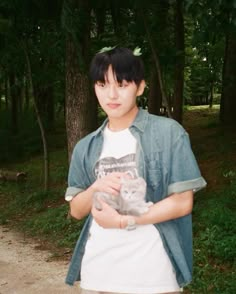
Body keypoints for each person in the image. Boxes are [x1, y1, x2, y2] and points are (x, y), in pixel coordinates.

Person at [64, 47, 206, 294]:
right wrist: (96, 188)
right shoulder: (85, 147)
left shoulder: (169, 133)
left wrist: (122, 221)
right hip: (98, 274)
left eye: (122, 84)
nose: (111, 94)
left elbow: (182, 202)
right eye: (102, 84)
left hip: (153, 276)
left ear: (140, 87)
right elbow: (76, 210)